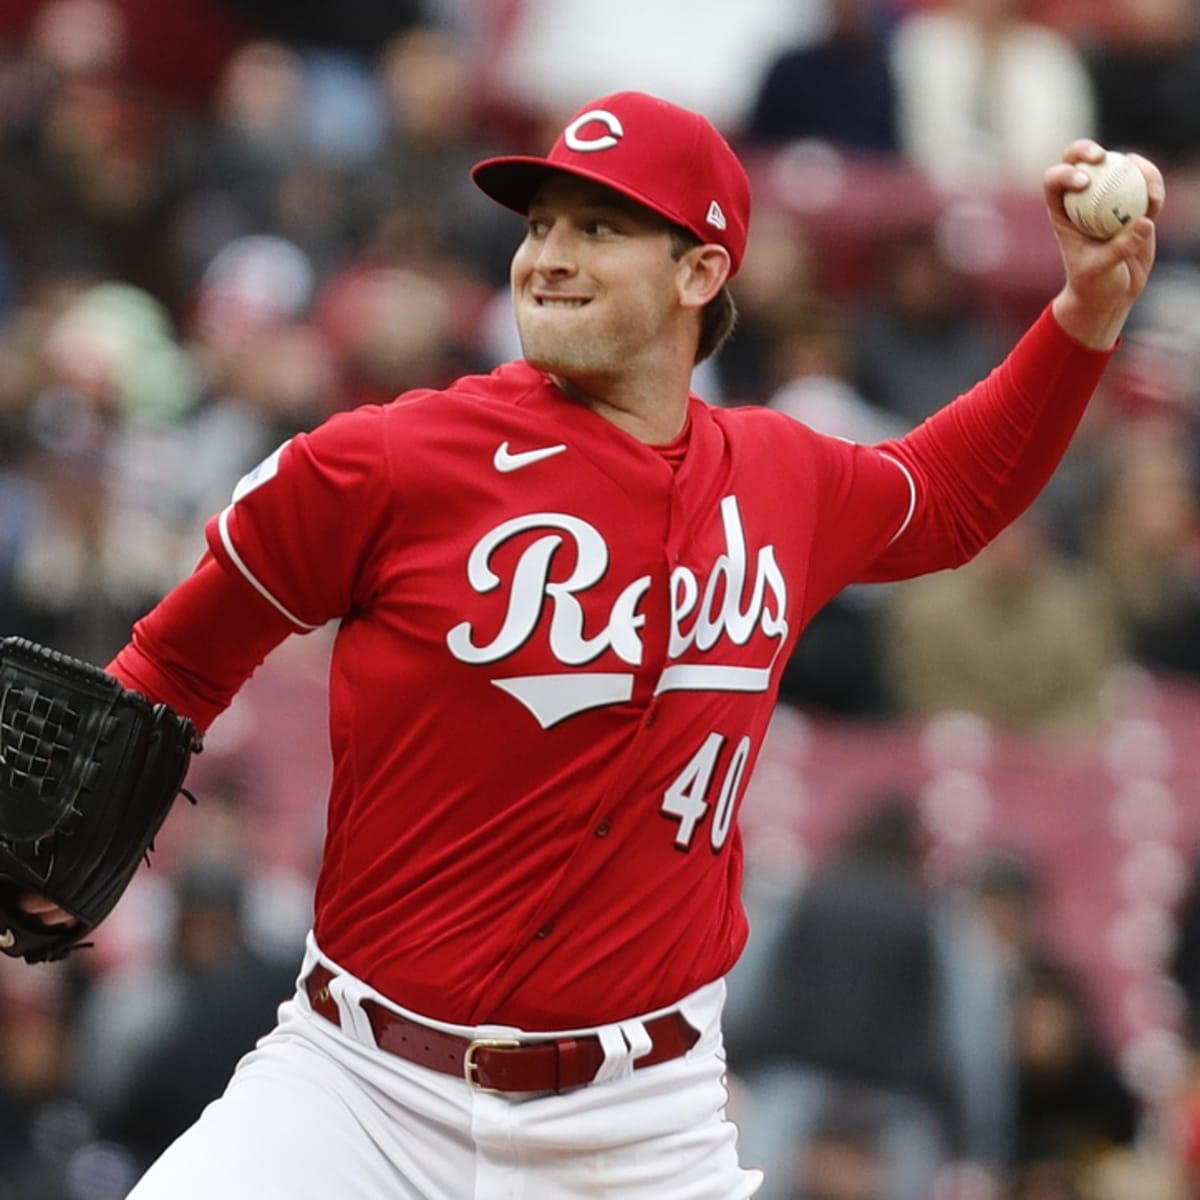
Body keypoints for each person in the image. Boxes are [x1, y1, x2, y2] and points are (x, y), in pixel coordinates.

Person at [16, 90, 1164, 1197]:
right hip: (358, 1089)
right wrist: (69, 831)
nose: (546, 254)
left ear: (700, 271)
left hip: (640, 1124)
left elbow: (951, 494)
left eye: (600, 227)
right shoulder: (382, 463)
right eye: (542, 224)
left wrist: (1083, 319)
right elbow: (175, 664)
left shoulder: (784, 479)